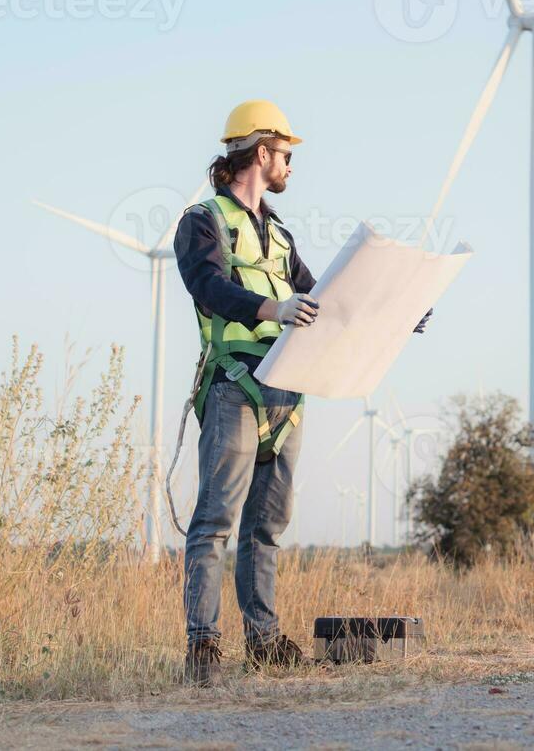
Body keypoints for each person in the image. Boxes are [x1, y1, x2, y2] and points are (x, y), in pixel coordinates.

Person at [174, 99, 429, 686]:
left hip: (286, 391)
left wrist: (400, 310)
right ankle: (203, 649)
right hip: (235, 386)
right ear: (260, 153)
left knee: (267, 526)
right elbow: (208, 287)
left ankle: (263, 643)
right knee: (215, 521)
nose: (292, 165)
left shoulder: (281, 235)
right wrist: (276, 306)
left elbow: (330, 298)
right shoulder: (202, 220)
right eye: (286, 154)